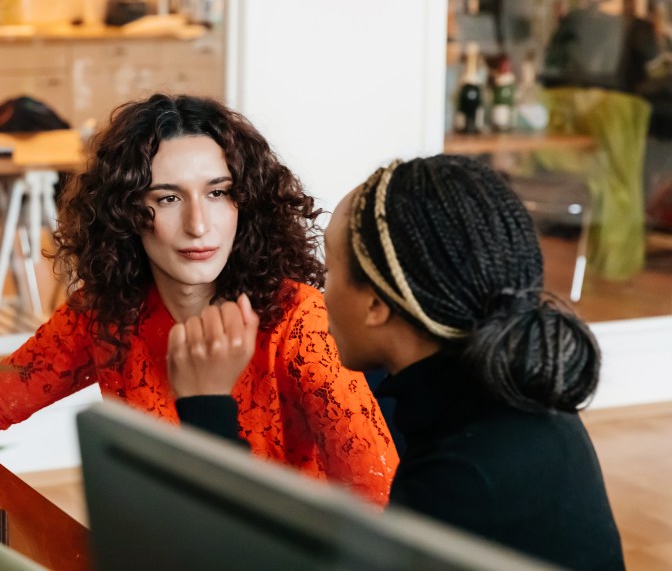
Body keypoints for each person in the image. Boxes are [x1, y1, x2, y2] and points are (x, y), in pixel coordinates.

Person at [0, 94, 398, 505]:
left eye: (218, 193)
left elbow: (379, 503)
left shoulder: (298, 322)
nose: (199, 224)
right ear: (127, 212)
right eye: (169, 199)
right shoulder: (107, 314)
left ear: (247, 203)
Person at [174, 154, 624, 568]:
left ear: (376, 305)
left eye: (329, 271)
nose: (320, 293)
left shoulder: (462, 478)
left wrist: (207, 403)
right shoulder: (513, 396)